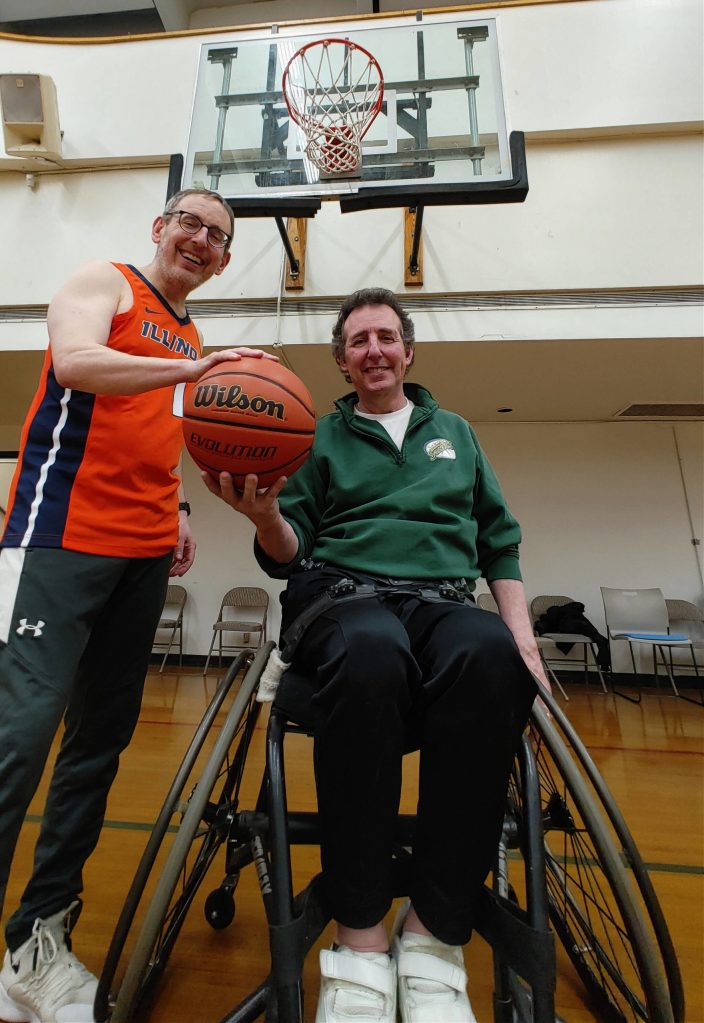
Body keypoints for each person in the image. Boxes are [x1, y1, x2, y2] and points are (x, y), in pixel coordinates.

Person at [204, 287, 549, 1023]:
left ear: (408, 350)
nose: (374, 349)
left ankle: (431, 937)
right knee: (370, 650)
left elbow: (500, 539)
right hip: (343, 597)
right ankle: (359, 938)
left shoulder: (453, 429)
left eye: (386, 336)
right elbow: (286, 553)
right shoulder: (315, 436)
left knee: (491, 654)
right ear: (342, 360)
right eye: (358, 340)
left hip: (445, 601)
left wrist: (520, 631)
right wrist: (265, 514)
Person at [0, 187, 276, 1023]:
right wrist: (194, 372)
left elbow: (161, 433)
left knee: (97, 747)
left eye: (217, 236)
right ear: (160, 230)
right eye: (189, 222)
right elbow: (79, 364)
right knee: (18, 735)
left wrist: (182, 507)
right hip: (58, 537)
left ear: (223, 262)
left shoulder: (188, 333)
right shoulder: (105, 282)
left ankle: (35, 945)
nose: (200, 239)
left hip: (144, 550)